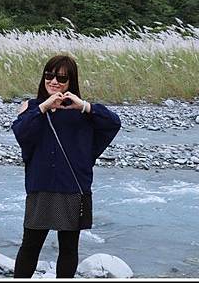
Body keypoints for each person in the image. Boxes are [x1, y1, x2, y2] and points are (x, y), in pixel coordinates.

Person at [11, 54, 122, 278]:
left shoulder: (82, 111)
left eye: (61, 78)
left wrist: (85, 107)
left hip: (73, 187)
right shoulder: (32, 108)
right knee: (30, 246)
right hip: (40, 187)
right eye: (49, 75)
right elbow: (21, 133)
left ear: (71, 82)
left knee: (69, 248)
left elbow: (113, 124)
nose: (54, 82)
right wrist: (43, 108)